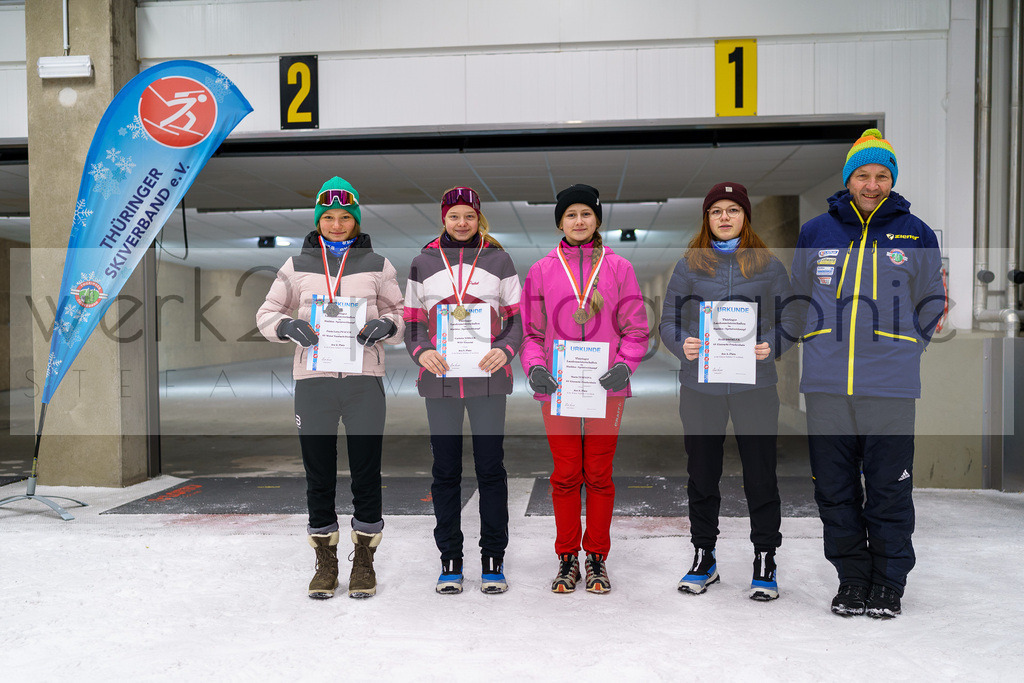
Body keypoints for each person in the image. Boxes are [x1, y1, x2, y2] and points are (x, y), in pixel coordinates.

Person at [790, 129, 944, 618]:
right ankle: (852, 580)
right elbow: (797, 299)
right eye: (863, 175)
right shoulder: (817, 232)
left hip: (890, 386)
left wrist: (906, 346)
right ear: (848, 180)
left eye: (881, 175)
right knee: (833, 490)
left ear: (891, 180)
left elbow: (932, 300)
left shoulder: (915, 231)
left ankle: (889, 583)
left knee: (889, 488)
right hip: (826, 385)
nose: (872, 184)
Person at [256, 176, 405, 600]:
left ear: (355, 221)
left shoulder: (379, 264)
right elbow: (267, 312)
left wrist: (387, 325)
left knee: (366, 473)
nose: (337, 225)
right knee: (318, 474)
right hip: (314, 382)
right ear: (318, 221)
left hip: (363, 382)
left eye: (345, 217)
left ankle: (364, 560)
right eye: (328, 217)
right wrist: (287, 325)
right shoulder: (295, 265)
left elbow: (400, 315)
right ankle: (325, 560)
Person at [660, 182, 799, 601]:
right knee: (702, 474)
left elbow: (792, 317)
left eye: (732, 210)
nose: (724, 217)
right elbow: (668, 319)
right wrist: (680, 342)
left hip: (754, 385)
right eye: (716, 210)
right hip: (700, 385)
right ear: (707, 218)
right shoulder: (689, 265)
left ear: (745, 217)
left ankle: (765, 558)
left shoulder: (769, 265)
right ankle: (705, 556)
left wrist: (771, 345)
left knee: (761, 474)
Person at [520, 183, 649, 594]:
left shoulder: (619, 268)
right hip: (558, 388)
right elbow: (531, 333)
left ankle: (595, 557)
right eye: (571, 214)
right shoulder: (542, 270)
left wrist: (625, 366)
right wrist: (536, 367)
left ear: (597, 220)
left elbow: (636, 329)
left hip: (603, 387)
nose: (579, 221)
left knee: (598, 474)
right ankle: (565, 558)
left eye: (587, 214)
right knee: (564, 475)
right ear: (561, 221)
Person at [403, 186, 523, 595]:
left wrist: (506, 350)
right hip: (440, 380)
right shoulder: (422, 262)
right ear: (443, 218)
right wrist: (421, 352)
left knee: (491, 470)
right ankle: (450, 560)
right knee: (446, 472)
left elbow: (517, 320)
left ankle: (493, 559)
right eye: (454, 216)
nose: (461, 223)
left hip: (489, 379)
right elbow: (412, 321)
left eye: (469, 216)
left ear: (479, 219)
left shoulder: (499, 259)